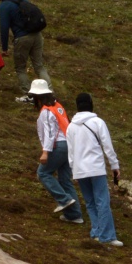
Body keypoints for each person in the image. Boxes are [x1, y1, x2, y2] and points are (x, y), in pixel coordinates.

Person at [67, 93, 122, 247]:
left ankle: (96, 232)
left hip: (80, 169)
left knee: (90, 202)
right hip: (96, 168)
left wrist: (73, 171)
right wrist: (114, 165)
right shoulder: (98, 122)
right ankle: (107, 236)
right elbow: (107, 147)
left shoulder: (71, 126)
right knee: (102, 201)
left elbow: (70, 152)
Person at [32, 80, 83, 224]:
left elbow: (50, 133)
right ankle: (74, 215)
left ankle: (64, 199)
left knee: (43, 173)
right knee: (65, 180)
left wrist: (46, 152)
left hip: (58, 146)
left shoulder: (46, 111)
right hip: (69, 144)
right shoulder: (58, 106)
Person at [0, 0, 51, 102]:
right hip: (37, 35)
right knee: (39, 66)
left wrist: (4, 48)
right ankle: (49, 93)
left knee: (20, 68)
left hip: (22, 38)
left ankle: (29, 95)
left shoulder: (4, 6)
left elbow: (4, 28)